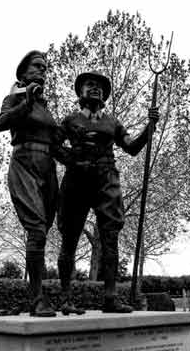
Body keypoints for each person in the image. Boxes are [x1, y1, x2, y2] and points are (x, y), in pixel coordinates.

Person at [56, 70, 159, 313]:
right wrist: (72, 159)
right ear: (80, 92)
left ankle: (110, 297)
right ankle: (65, 299)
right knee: (69, 239)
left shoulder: (112, 122)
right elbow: (53, 145)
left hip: (106, 181)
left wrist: (150, 127)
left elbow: (132, 147)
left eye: (100, 87)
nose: (95, 89)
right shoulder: (70, 121)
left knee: (110, 238)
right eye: (90, 85)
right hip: (76, 182)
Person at [0, 51, 59, 317]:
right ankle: (36, 298)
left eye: (45, 68)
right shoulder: (15, 97)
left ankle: (43, 297)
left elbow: (56, 142)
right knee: (36, 230)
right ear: (23, 72)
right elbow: (2, 122)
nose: (42, 71)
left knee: (45, 228)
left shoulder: (45, 107)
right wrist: (26, 101)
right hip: (24, 163)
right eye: (37, 66)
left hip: (48, 166)